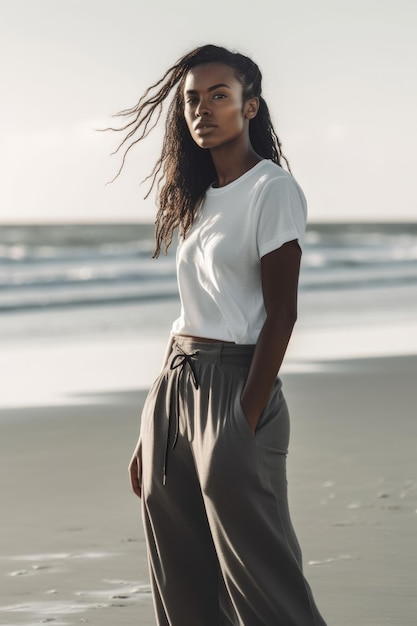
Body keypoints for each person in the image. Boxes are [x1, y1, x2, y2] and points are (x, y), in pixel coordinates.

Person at [114, 44, 327, 626]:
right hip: (175, 389)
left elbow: (282, 313)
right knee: (181, 576)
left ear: (249, 107)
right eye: (191, 100)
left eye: (218, 96)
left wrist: (244, 420)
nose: (202, 109)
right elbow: (191, 310)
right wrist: (150, 426)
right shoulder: (199, 198)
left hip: (237, 385)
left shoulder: (272, 189)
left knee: (264, 578)